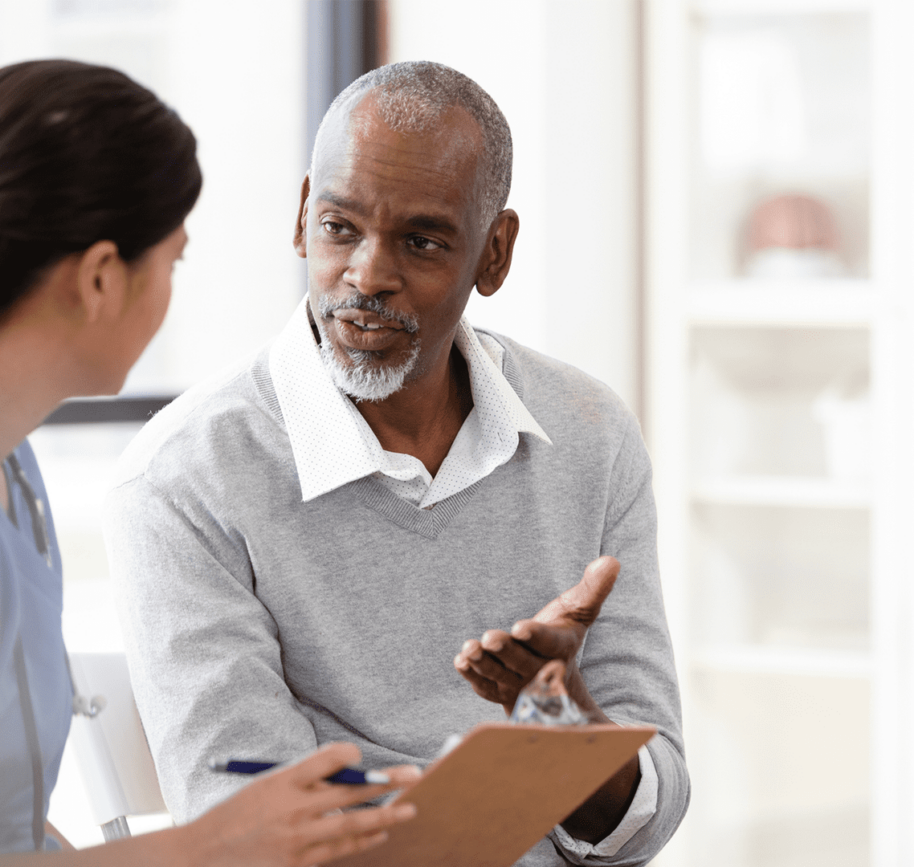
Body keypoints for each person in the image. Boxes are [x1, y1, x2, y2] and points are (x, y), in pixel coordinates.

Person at [104, 60, 689, 867]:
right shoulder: (184, 478)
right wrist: (522, 782)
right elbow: (248, 821)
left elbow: (650, 813)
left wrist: (567, 730)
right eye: (340, 227)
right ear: (303, 215)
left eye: (420, 240)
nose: (368, 275)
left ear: (495, 253)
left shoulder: (588, 434)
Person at [0, 59, 420, 867]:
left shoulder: (8, 472)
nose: (172, 288)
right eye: (172, 260)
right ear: (102, 276)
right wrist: (206, 849)